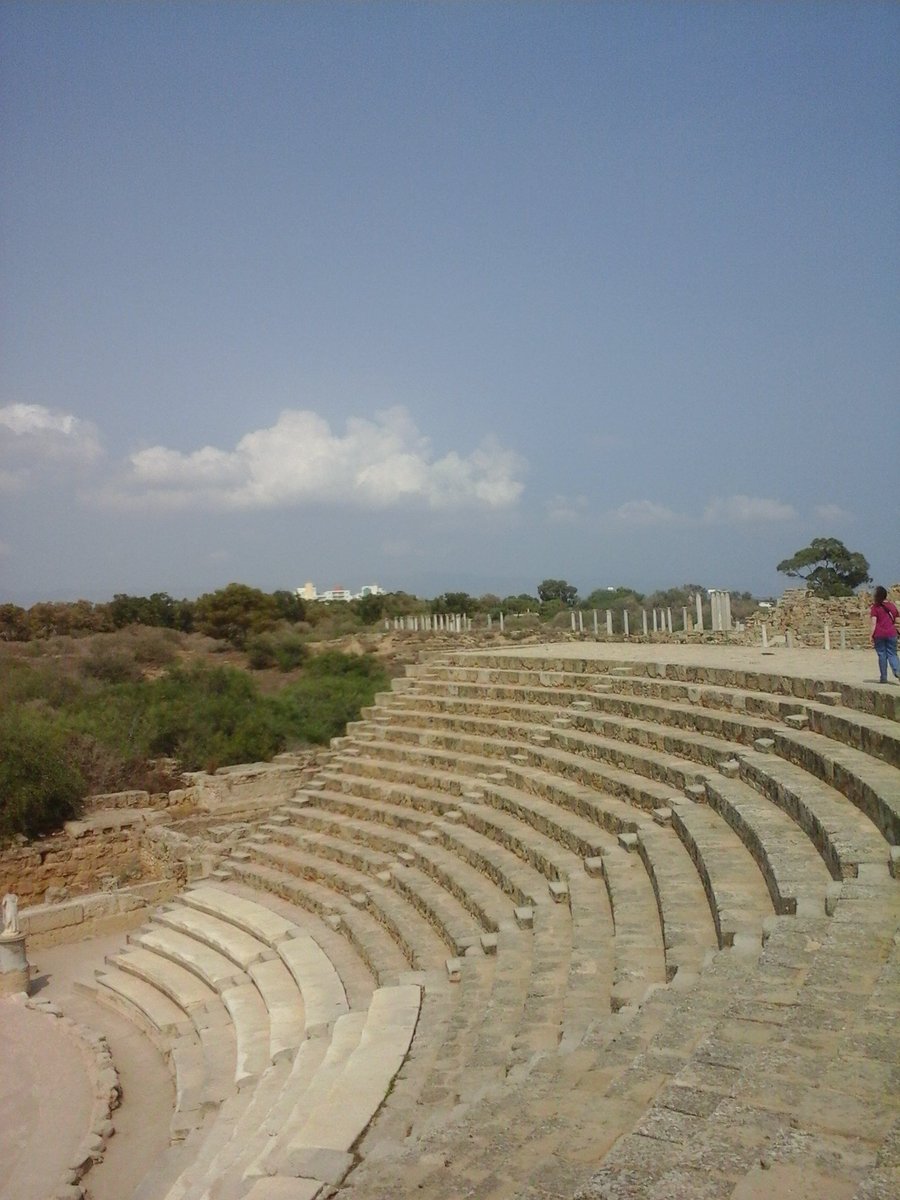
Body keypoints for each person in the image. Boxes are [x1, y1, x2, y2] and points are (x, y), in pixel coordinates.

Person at [870, 585, 900, 683]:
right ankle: (898, 671)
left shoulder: (875, 607)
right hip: (891, 633)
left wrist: (871, 635)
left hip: (879, 634)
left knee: (882, 655)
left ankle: (883, 677)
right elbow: (895, 618)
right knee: (892, 654)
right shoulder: (892, 606)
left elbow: (874, 623)